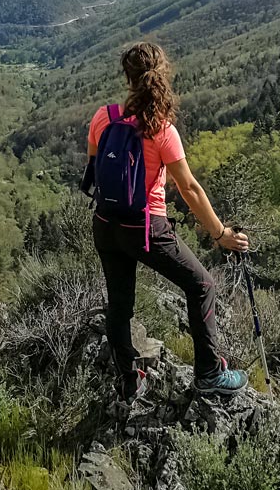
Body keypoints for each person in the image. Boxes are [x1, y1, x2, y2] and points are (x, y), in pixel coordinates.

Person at [87, 41, 250, 399]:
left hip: (105, 223)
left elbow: (94, 169)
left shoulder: (103, 117)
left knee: (120, 303)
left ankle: (129, 380)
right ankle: (208, 373)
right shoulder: (161, 129)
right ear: (161, 77)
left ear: (128, 78)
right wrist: (220, 233)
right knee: (202, 285)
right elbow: (189, 188)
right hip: (145, 228)